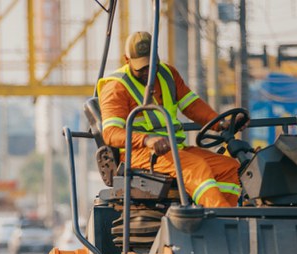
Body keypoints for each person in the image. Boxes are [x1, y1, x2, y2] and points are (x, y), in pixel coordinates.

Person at [98, 31, 245, 207]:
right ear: (127, 60)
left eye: (151, 65)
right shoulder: (116, 87)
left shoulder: (168, 74)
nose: (147, 72)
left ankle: (230, 216)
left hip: (174, 148)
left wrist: (221, 123)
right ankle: (221, 220)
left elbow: (192, 106)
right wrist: (147, 140)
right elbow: (111, 134)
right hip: (138, 153)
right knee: (195, 167)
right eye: (141, 67)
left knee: (228, 167)